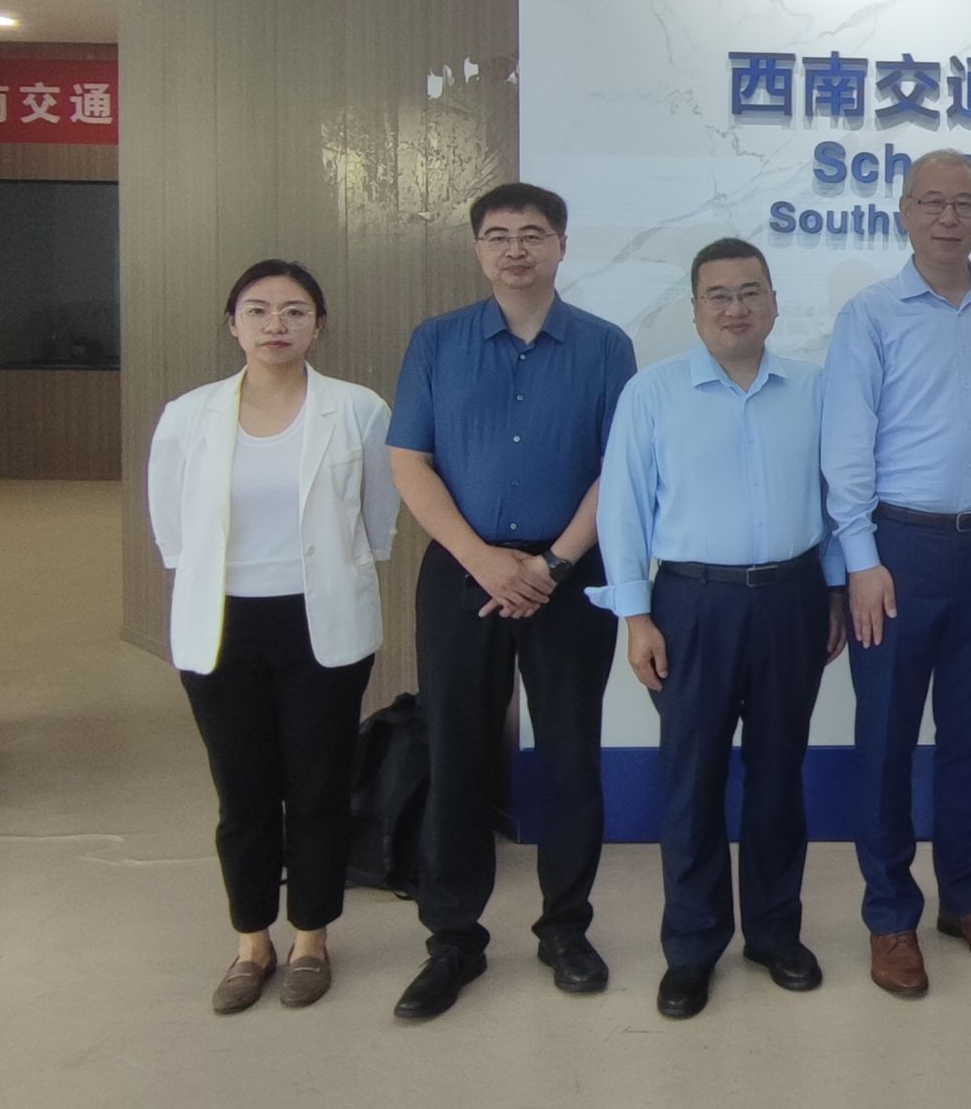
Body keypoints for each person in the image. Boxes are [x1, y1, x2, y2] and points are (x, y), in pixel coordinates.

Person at [385, 182, 636, 1020]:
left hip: (571, 577)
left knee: (570, 756)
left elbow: (620, 467)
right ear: (478, 249)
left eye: (533, 233)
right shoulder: (437, 341)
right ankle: (453, 937)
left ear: (562, 244)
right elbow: (409, 460)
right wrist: (484, 560)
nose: (515, 249)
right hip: (465, 571)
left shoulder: (605, 346)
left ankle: (565, 926)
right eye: (498, 235)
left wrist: (553, 563)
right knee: (456, 750)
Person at [590, 237, 848, 1021]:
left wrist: (835, 590)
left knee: (778, 775)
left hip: (792, 597)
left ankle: (774, 933)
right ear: (695, 308)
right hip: (690, 605)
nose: (735, 308)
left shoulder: (813, 389)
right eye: (718, 295)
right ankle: (693, 945)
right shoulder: (653, 392)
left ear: (774, 301)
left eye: (749, 292)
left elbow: (838, 495)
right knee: (692, 779)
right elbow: (622, 508)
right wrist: (636, 616)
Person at [148, 259, 399, 1013]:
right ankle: (251, 941)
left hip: (320, 620)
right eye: (257, 310)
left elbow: (377, 521)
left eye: (294, 310)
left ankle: (311, 937)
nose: (275, 325)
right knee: (243, 789)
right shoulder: (189, 414)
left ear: (318, 324)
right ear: (233, 325)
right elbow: (172, 529)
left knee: (318, 786)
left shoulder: (358, 409)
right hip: (223, 623)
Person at [821, 148, 971, 997]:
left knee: (968, 734)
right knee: (884, 740)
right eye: (933, 202)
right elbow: (846, 447)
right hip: (897, 553)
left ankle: (964, 897)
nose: (950, 218)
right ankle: (889, 914)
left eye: (965, 203)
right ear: (904, 212)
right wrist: (861, 559)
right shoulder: (870, 315)